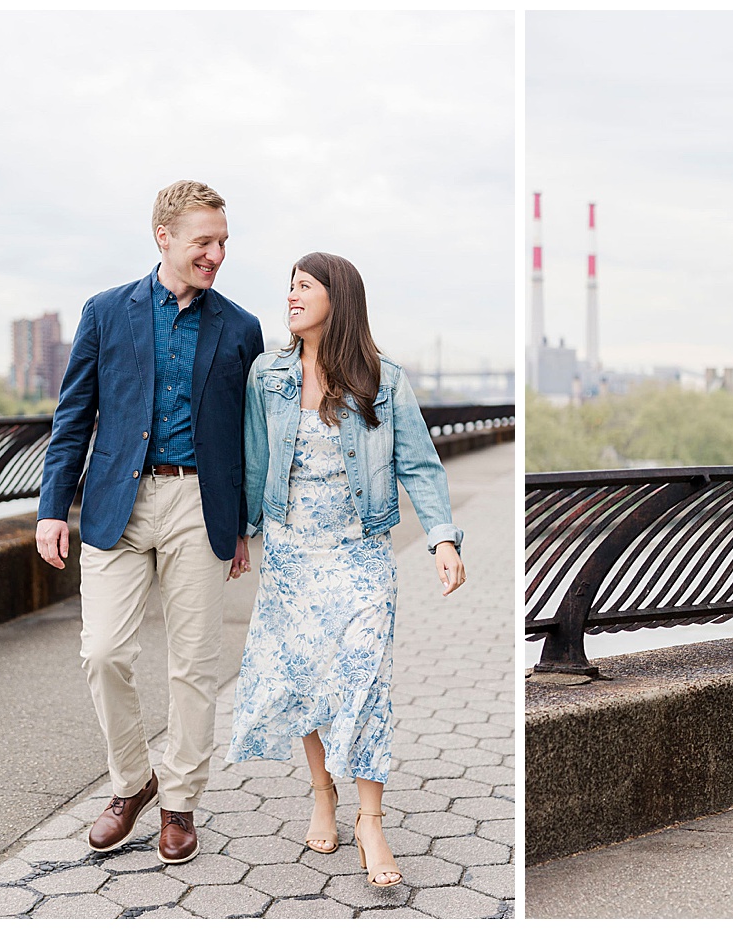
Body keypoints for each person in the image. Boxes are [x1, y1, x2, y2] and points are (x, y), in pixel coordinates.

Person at [34, 181, 266, 864]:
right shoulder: (107, 312)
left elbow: (250, 435)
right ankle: (132, 783)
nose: (216, 254)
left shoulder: (241, 327)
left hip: (200, 506)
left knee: (195, 664)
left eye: (223, 241)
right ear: (163, 237)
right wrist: (52, 508)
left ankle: (180, 803)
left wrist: (244, 524)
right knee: (102, 651)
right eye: (204, 241)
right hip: (116, 505)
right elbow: (72, 416)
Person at [226, 252, 466, 887]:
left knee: (364, 677)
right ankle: (322, 791)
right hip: (289, 551)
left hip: (359, 552)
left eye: (304, 287)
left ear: (339, 298)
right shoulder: (266, 374)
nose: (291, 297)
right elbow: (254, 458)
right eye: (290, 288)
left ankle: (370, 818)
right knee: (308, 678)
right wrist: (244, 535)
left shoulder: (385, 381)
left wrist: (443, 539)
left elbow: (418, 463)